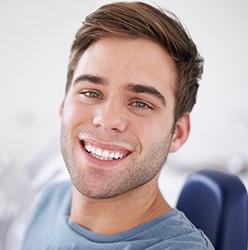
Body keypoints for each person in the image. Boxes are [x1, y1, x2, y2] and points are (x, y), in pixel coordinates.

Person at [21, 1, 215, 249]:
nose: (107, 119)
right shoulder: (53, 199)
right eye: (91, 93)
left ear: (177, 132)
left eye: (141, 104)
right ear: (63, 104)